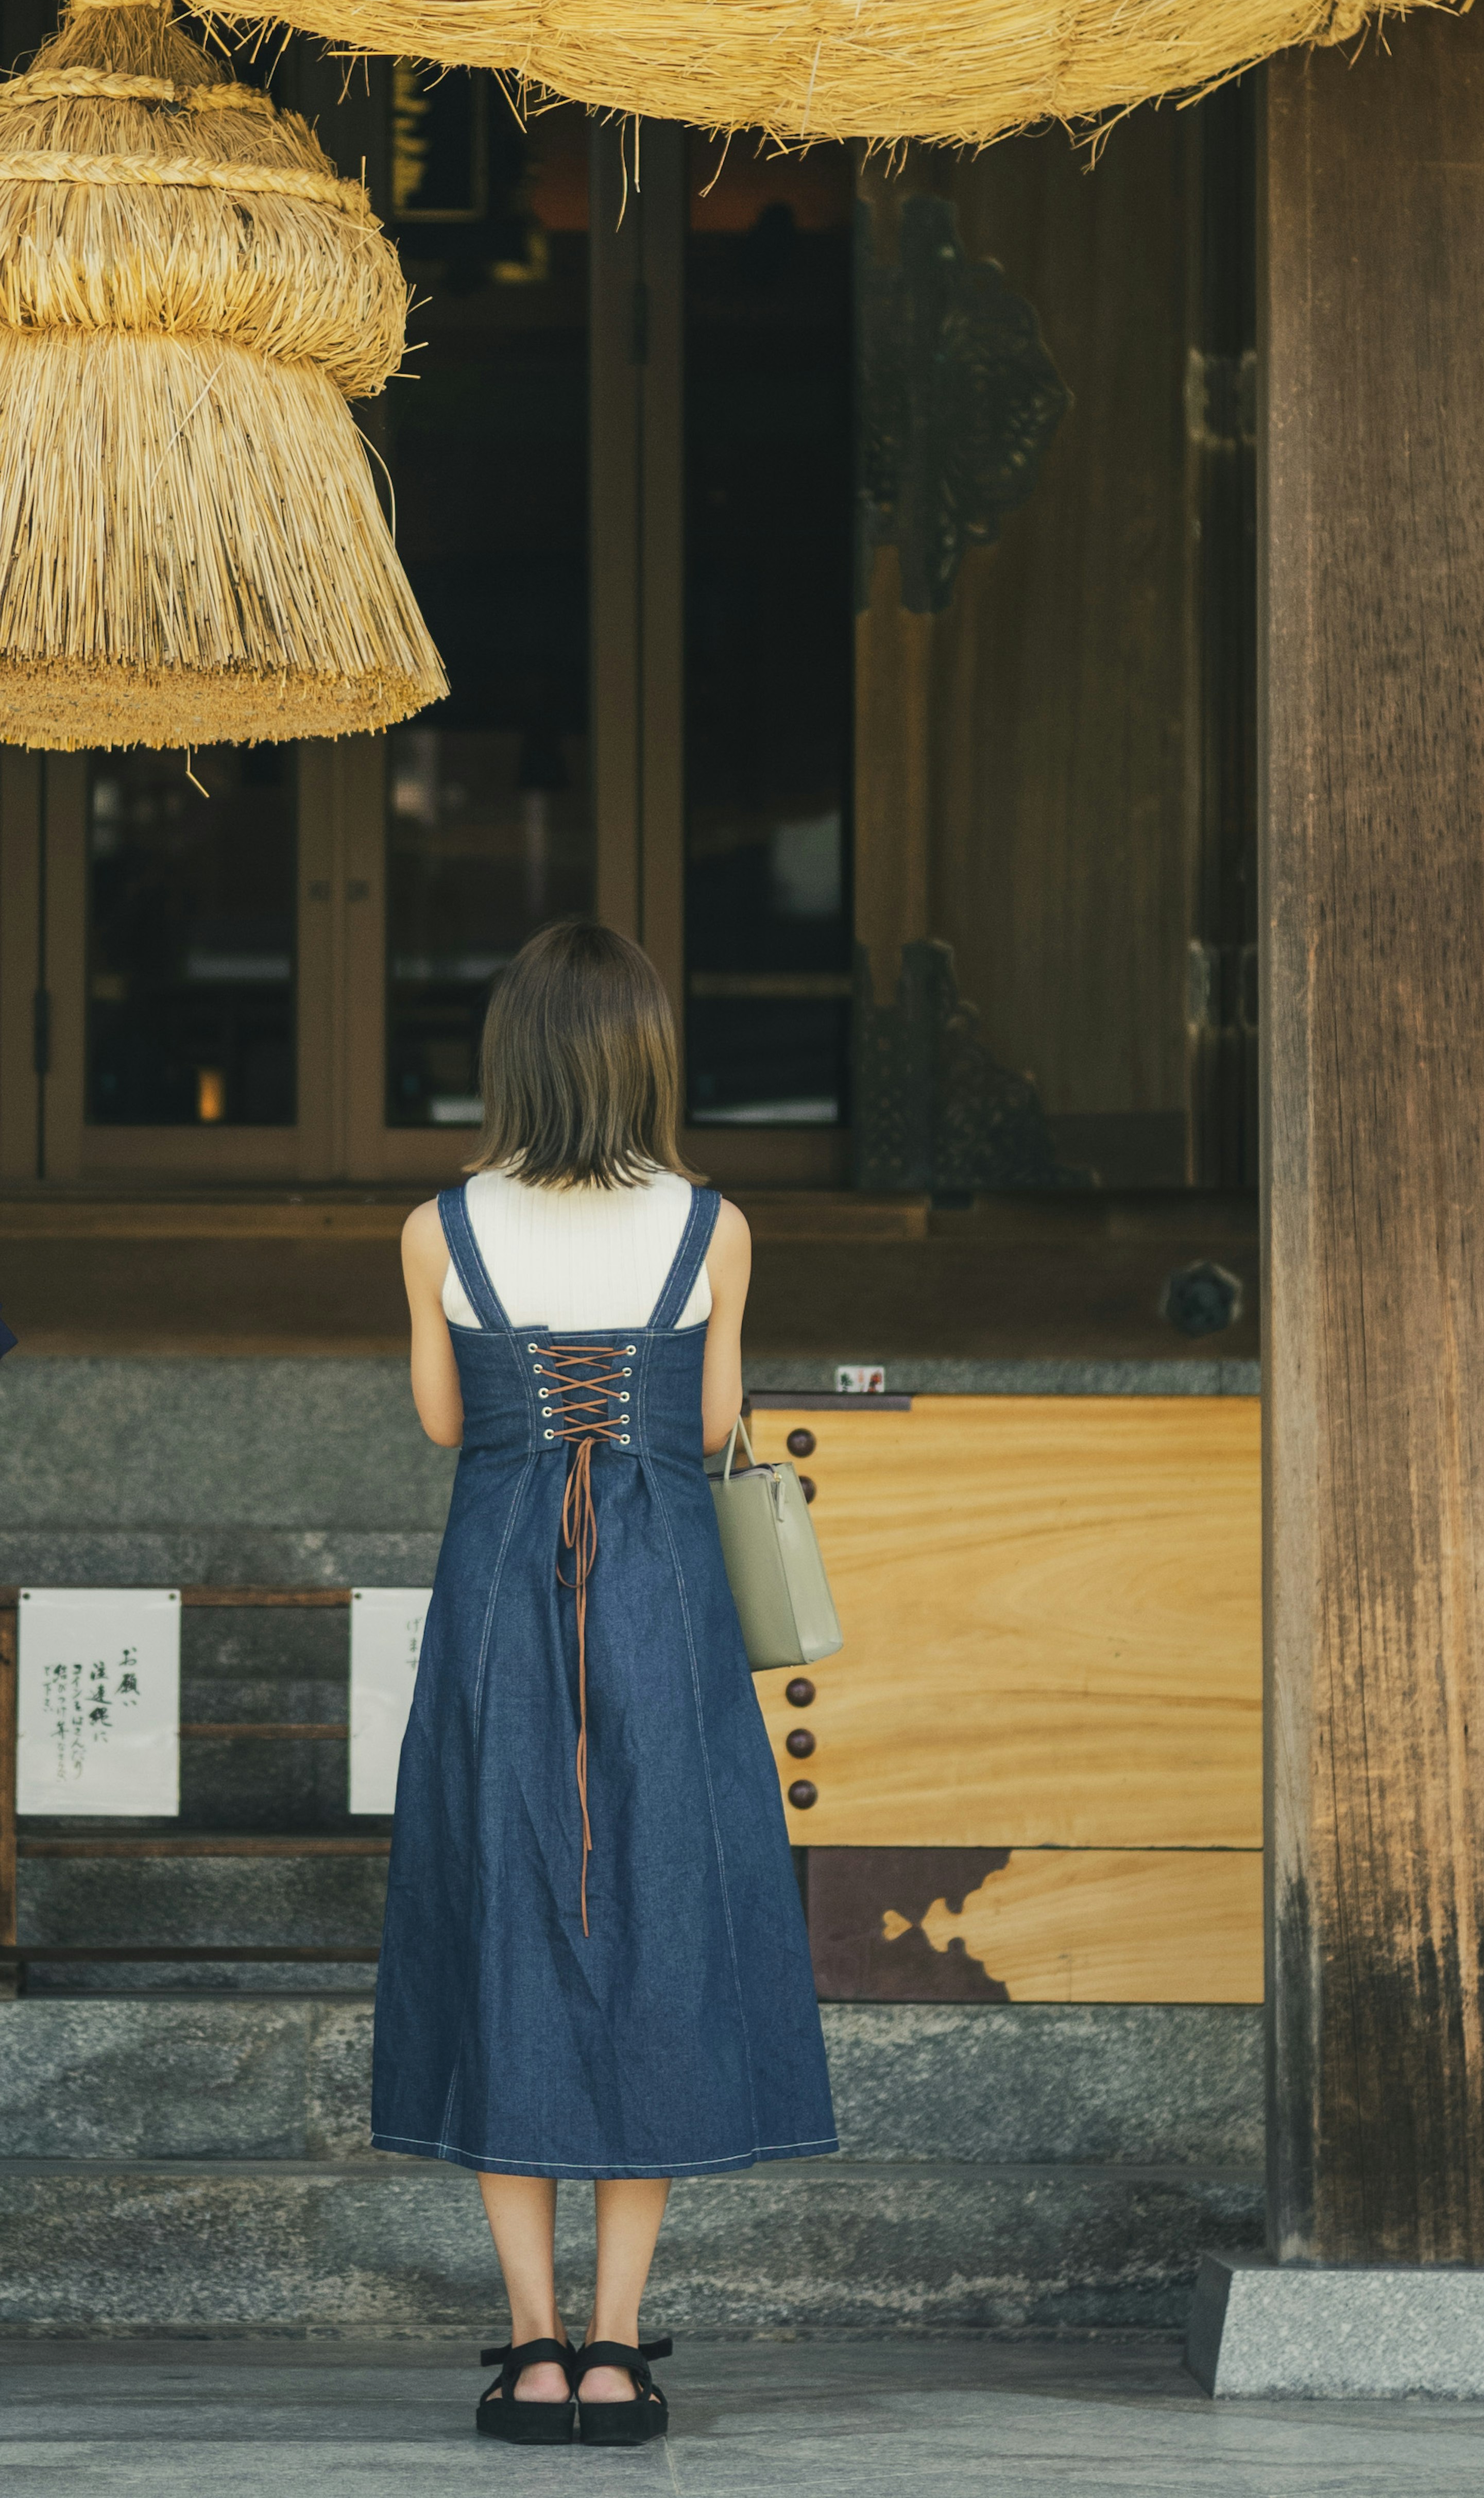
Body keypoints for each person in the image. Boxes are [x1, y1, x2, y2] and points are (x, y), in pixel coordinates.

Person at [371, 919, 837, 2448]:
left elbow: (448, 1428)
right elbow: (710, 1431)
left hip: (502, 1607)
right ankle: (621, 2347)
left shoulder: (441, 1228)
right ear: (644, 1057)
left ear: (510, 1054)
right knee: (655, 1932)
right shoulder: (716, 1228)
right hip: (660, 1614)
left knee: (507, 1928)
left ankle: (527, 2346)